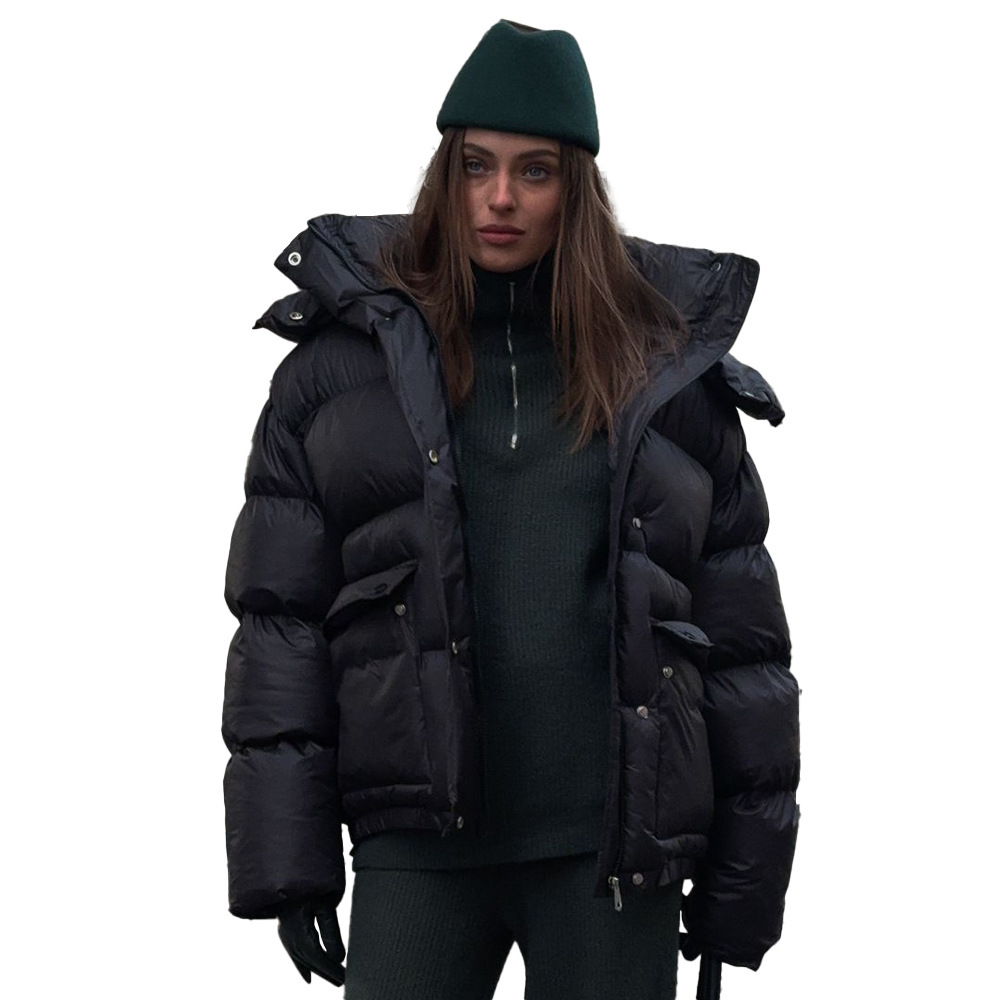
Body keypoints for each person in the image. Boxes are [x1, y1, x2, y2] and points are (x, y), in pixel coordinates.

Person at [221, 19, 799, 1000]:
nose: (499, 198)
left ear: (577, 190)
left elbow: (745, 646)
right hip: (417, 845)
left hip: (612, 852)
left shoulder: (669, 382)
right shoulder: (336, 373)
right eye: (476, 166)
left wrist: (744, 881)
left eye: (535, 172)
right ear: (444, 176)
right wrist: (289, 856)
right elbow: (281, 622)